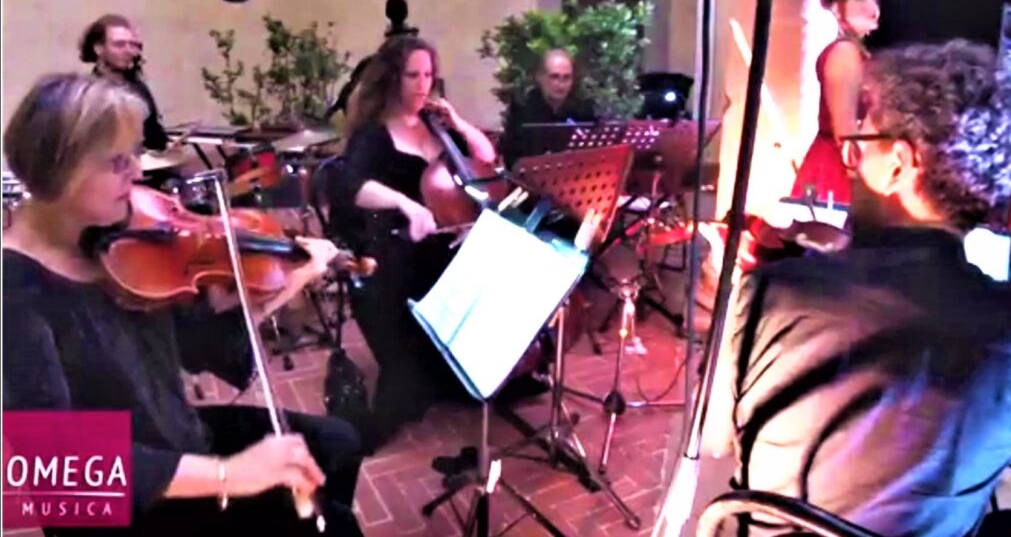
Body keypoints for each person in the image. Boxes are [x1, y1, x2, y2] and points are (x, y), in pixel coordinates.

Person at [2, 74, 364, 536]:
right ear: (59, 168)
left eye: (135, 153)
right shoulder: (15, 291)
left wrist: (289, 279)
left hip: (175, 430)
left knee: (337, 445)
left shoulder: (110, 236)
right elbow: (55, 463)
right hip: (130, 500)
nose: (137, 172)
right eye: (117, 162)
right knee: (332, 523)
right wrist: (229, 474)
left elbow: (198, 344)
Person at [706, 40, 1011, 537]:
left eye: (861, 141)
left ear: (898, 163)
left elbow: (713, 440)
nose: (850, 160)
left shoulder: (771, 290)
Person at [329, 35, 497, 450]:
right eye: (413, 75)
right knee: (407, 388)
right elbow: (352, 187)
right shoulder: (374, 134)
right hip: (398, 254)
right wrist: (405, 203)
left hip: (444, 247)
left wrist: (457, 121)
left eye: (428, 75)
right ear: (393, 78)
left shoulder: (436, 123)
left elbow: (486, 159)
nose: (423, 84)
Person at [790, 0, 880, 205]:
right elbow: (845, 131)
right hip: (837, 167)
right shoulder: (844, 53)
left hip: (840, 160)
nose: (872, 7)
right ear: (837, 8)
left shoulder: (854, 52)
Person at [79, 14, 169, 152]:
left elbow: (154, 136)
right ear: (98, 48)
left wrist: (166, 148)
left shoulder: (138, 88)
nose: (129, 51)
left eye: (133, 45)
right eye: (119, 45)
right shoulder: (87, 93)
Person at [500, 48, 597, 168]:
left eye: (567, 78)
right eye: (554, 77)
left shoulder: (582, 108)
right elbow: (511, 158)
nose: (561, 84)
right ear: (540, 77)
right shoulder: (523, 109)